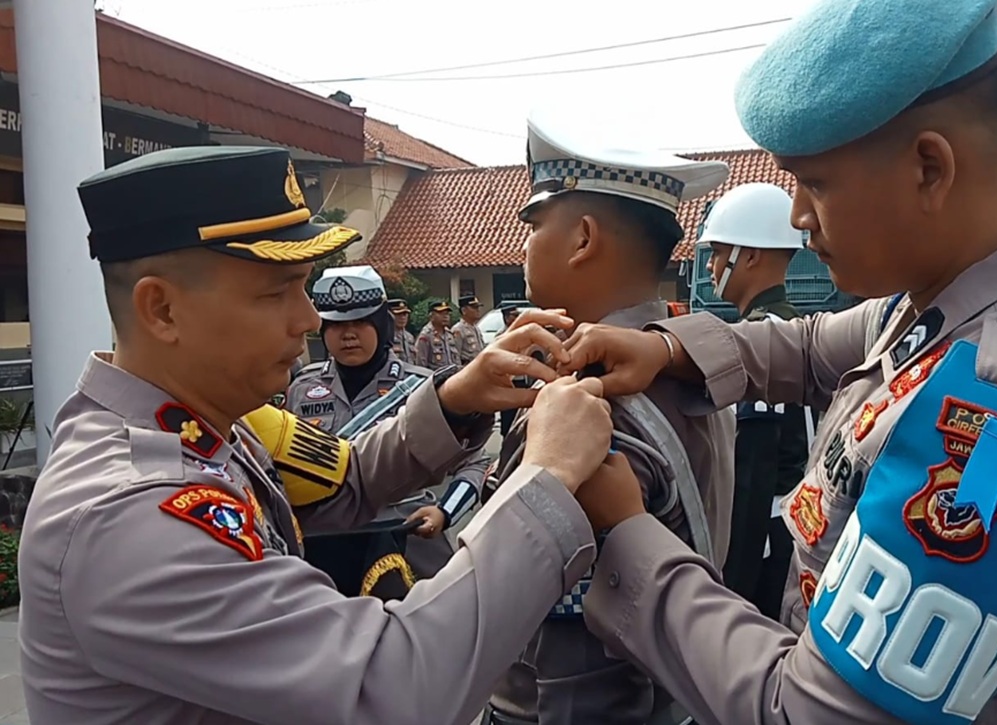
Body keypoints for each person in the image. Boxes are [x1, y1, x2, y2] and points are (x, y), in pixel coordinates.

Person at [559, 2, 997, 723]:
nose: (796, 218)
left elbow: (813, 712)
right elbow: (814, 346)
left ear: (929, 168)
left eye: (814, 184)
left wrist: (628, 530)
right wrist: (663, 345)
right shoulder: (956, 295)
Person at [18, 145, 622, 725]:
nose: (310, 320)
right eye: (277, 292)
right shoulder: (130, 513)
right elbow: (390, 687)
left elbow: (344, 480)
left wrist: (455, 399)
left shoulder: (211, 424)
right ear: (163, 310)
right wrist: (547, 478)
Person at [483, 116, 736, 725]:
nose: (523, 248)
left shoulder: (589, 404)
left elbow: (580, 657)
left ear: (582, 239)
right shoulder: (679, 360)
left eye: (534, 227)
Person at [286, 265, 486, 595]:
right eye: (336, 324)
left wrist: (445, 511)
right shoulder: (302, 389)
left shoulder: (421, 387)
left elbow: (475, 462)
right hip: (323, 544)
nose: (348, 334)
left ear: (381, 323)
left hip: (405, 533)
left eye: (360, 321)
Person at [697, 182, 814, 621]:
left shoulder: (759, 339)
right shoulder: (796, 327)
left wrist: (733, 583)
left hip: (766, 540)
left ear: (749, 256)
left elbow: (754, 472)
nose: (711, 266)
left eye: (718, 253)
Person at [497, 301, 528, 437]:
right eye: (513, 316)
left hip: (522, 377)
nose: (516, 318)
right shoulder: (501, 336)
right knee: (508, 415)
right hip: (509, 380)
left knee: (520, 413)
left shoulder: (522, 333)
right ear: (507, 317)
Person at [416, 299, 459, 368]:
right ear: (431, 316)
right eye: (441, 313)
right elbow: (421, 364)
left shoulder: (449, 335)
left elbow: (457, 360)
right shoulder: (426, 336)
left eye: (447, 313)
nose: (445, 316)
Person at [453, 294, 487, 364]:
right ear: (464, 310)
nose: (478, 310)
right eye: (474, 307)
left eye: (478, 307)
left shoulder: (476, 328)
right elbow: (456, 356)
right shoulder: (458, 329)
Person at [388, 297, 417, 363]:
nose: (402, 318)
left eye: (405, 314)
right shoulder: (385, 337)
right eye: (398, 314)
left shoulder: (410, 337)